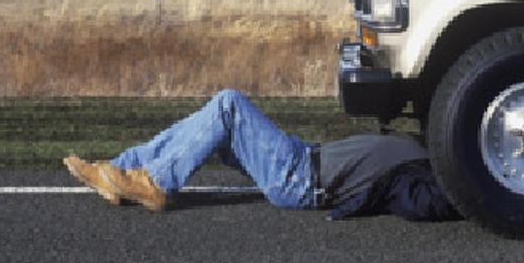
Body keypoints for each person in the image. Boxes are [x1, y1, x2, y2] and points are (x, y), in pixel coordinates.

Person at [64, 89, 457, 221]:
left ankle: (153, 184)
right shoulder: (430, 145)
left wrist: (462, 194)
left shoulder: (435, 173)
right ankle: (123, 168)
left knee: (229, 104)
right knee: (214, 125)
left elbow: (421, 203)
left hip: (303, 177)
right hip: (304, 158)